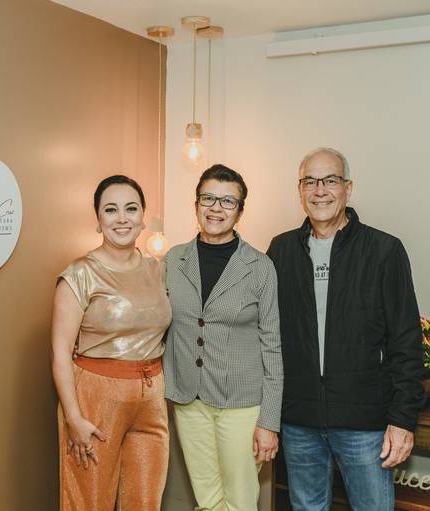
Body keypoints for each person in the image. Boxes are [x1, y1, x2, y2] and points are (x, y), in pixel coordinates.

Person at [266, 147, 424, 511]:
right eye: (310, 181)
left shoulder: (384, 250)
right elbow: (267, 335)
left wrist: (402, 420)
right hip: (299, 421)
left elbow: (406, 341)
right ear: (300, 191)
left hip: (364, 424)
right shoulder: (281, 250)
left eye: (331, 180)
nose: (320, 190)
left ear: (348, 188)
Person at [163, 164, 283, 511]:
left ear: (240, 211)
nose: (216, 208)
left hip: (242, 404)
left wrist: (269, 421)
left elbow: (272, 346)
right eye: (208, 198)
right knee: (208, 498)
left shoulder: (260, 267)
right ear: (196, 204)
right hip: (189, 401)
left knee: (240, 500)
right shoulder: (173, 259)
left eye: (228, 201)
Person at [51, 175, 172, 510]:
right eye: (110, 209)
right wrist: (73, 418)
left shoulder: (157, 270)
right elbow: (60, 354)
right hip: (95, 398)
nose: (122, 218)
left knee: (146, 502)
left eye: (131, 209)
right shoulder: (79, 274)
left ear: (143, 216)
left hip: (152, 399)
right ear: (98, 219)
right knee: (89, 501)